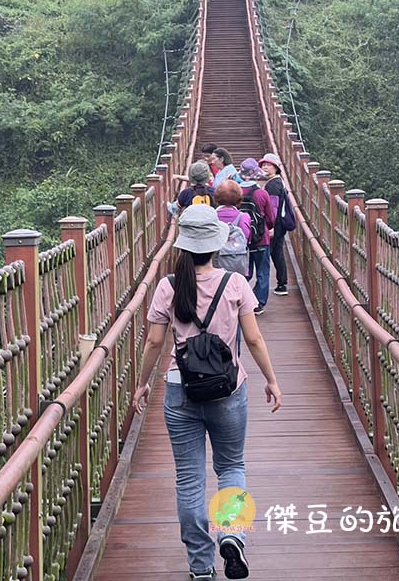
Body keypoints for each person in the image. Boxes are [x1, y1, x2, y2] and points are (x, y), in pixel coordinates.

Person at [133, 205, 282, 581]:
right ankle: (231, 535)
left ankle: (200, 566)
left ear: (183, 246)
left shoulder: (168, 286)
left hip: (180, 389)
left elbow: (154, 341)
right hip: (228, 389)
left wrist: (142, 383)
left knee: (189, 477)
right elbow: (254, 338)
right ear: (216, 245)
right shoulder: (235, 283)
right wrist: (271, 379)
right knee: (231, 466)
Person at [239, 159, 275, 315]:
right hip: (261, 238)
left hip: (241, 239)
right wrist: (268, 227)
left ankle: (242, 299)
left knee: (244, 272)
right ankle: (258, 303)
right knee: (263, 271)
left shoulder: (235, 191)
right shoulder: (262, 193)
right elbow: (271, 218)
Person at [259, 153, 288, 295]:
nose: (265, 167)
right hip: (279, 224)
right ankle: (282, 284)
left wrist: (271, 227)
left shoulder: (273, 185)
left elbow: (274, 207)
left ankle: (273, 285)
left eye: (268, 165)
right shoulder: (278, 181)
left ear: (275, 167)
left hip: (275, 224)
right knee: (277, 252)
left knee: (269, 254)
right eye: (263, 165)